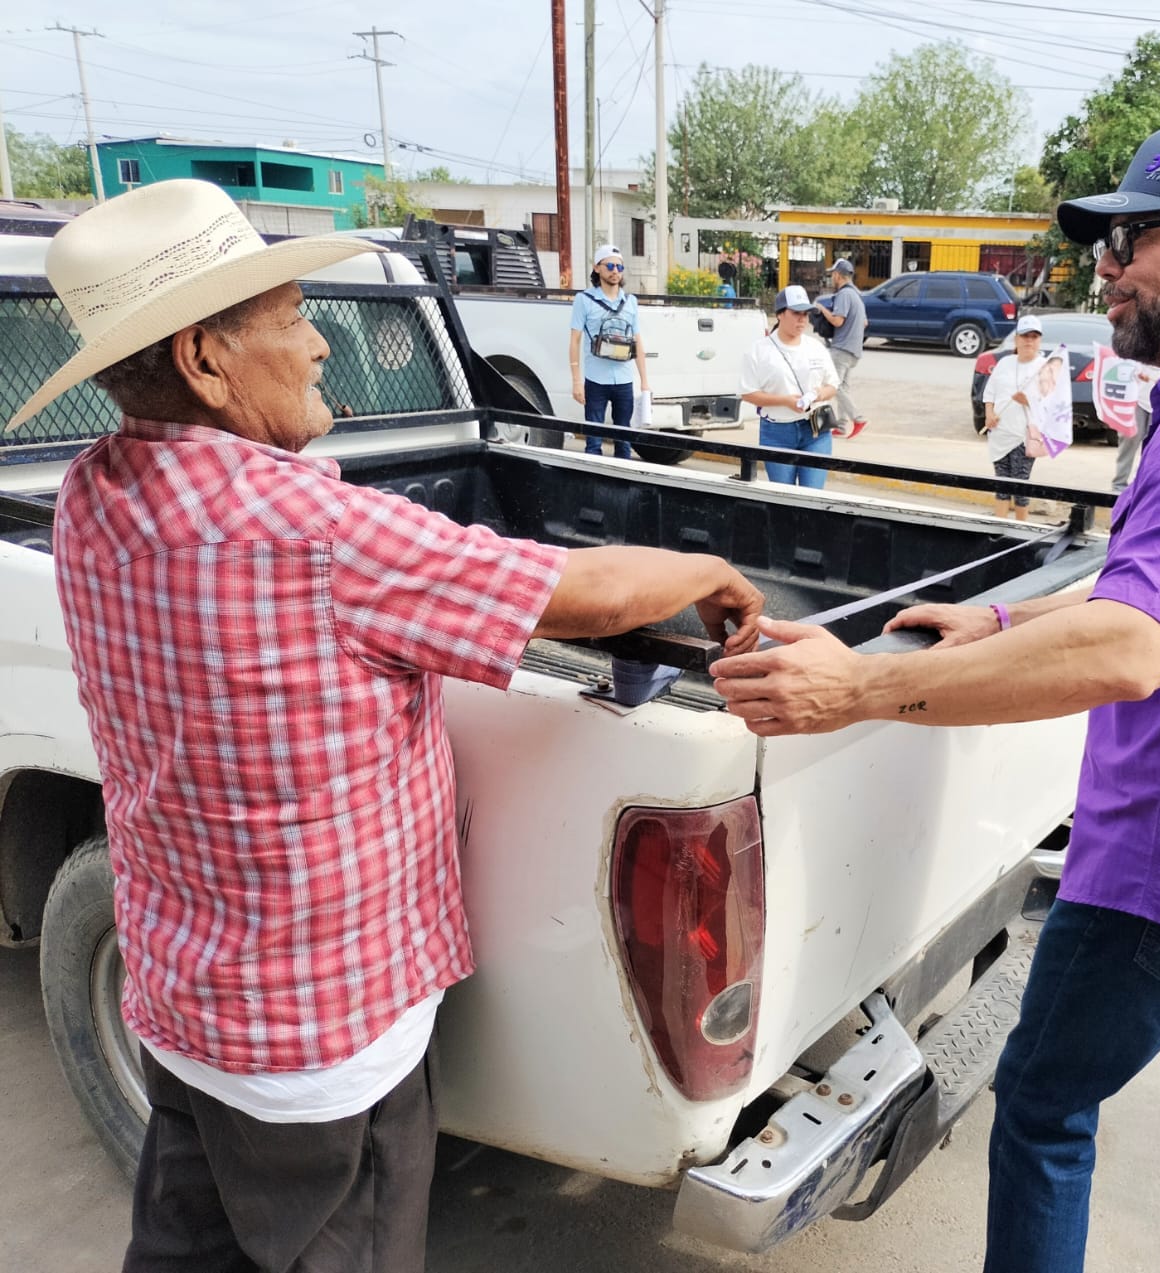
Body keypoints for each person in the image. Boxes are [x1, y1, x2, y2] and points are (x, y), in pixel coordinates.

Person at [6, 179, 763, 1273]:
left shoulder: (90, 495)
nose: (321, 344)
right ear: (204, 360)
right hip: (324, 1049)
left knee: (184, 1248)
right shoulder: (316, 533)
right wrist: (708, 569)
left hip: (181, 1002)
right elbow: (584, 594)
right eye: (293, 318)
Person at [709, 123, 1160, 1273]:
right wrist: (1005, 623)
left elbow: (1133, 646)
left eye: (1134, 239)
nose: (1105, 267)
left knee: (1041, 1107)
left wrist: (859, 686)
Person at [739, 284, 841, 488]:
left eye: (805, 314)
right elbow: (748, 393)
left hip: (815, 431)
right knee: (783, 496)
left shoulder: (816, 347)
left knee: (812, 495)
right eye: (796, 313)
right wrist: (785, 401)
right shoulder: (759, 350)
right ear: (780, 314)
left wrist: (819, 394)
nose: (802, 319)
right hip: (777, 432)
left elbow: (833, 385)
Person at [569, 243, 649, 458]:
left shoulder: (630, 301)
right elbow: (575, 340)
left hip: (624, 380)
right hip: (596, 380)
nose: (615, 271)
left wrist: (644, 382)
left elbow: (637, 341)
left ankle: (621, 477)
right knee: (593, 442)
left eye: (619, 267)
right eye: (610, 266)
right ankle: (593, 477)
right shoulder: (584, 300)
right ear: (597, 268)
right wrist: (576, 381)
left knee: (624, 441)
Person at [983, 314, 1047, 521]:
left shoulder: (1044, 367)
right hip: (1000, 433)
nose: (1029, 341)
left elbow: (1051, 404)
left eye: (1034, 337)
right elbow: (990, 393)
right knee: (1002, 485)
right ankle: (999, 526)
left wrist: (1028, 401)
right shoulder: (1005, 363)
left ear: (1039, 340)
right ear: (1016, 339)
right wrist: (989, 414)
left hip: (1024, 436)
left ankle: (1020, 529)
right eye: (1025, 336)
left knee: (1020, 485)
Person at [817, 257, 869, 438]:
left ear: (838, 275)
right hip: (854, 350)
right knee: (843, 388)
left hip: (842, 349)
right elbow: (864, 323)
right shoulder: (857, 295)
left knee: (834, 386)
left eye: (833, 274)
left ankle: (858, 418)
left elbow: (838, 321)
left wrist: (822, 310)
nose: (832, 277)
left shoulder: (844, 295)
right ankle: (840, 426)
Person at [1113, 362, 1160, 493]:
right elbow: (1129, 367)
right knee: (1129, 440)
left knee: (1153, 446)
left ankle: (1142, 484)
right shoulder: (1141, 356)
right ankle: (1119, 484)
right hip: (1138, 401)